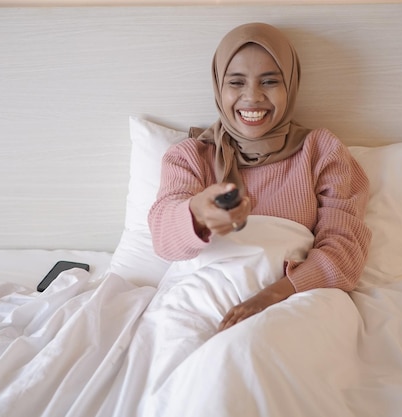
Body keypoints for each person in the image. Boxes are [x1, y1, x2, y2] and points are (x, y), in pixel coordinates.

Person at [148, 22, 371, 331]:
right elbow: (163, 240)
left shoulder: (322, 152)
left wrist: (268, 298)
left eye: (269, 81)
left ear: (291, 84)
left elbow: (345, 251)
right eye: (236, 82)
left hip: (293, 301)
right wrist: (198, 213)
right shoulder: (190, 156)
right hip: (197, 301)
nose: (252, 97)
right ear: (218, 86)